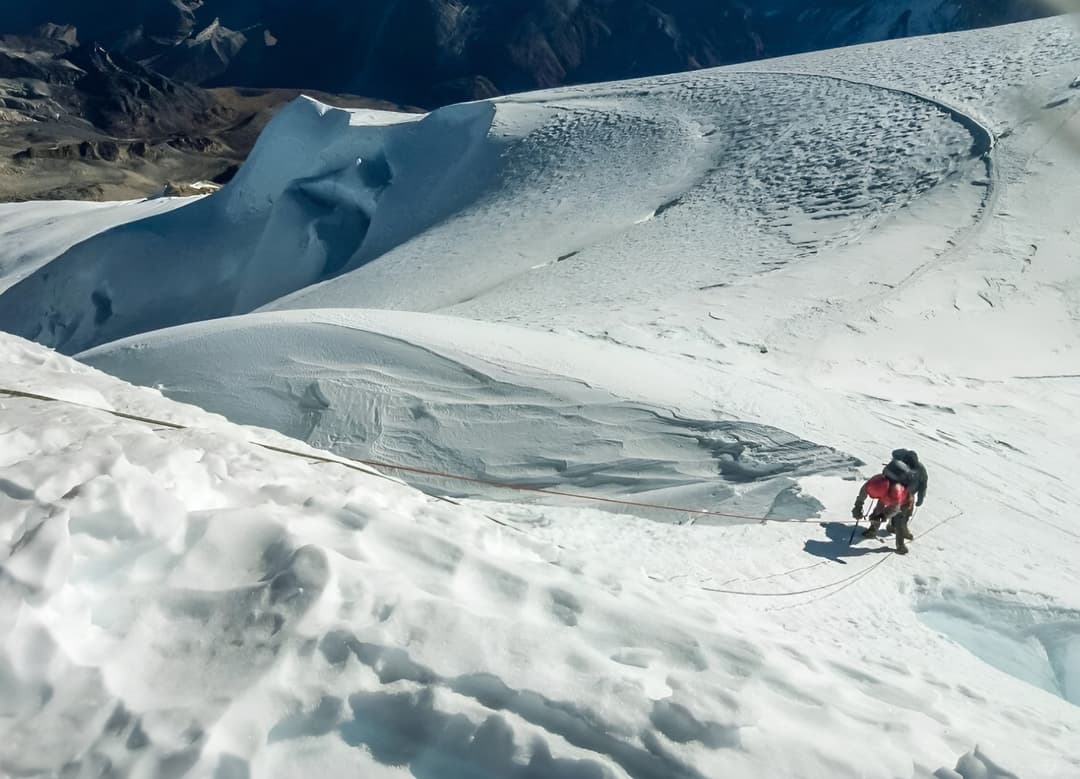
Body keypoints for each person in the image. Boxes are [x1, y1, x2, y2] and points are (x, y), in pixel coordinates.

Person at [851, 464, 915, 554]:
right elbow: (864, 490)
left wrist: (882, 516)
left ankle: (900, 546)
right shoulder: (876, 481)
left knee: (898, 521)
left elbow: (895, 508)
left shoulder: (897, 493)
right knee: (877, 511)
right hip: (887, 495)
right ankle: (873, 530)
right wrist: (858, 506)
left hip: (904, 501)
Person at [885, 448, 928, 540]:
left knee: (907, 513)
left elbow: (923, 484)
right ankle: (897, 528)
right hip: (898, 493)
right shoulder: (901, 466)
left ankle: (897, 527)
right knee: (897, 512)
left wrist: (921, 497)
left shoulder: (921, 470)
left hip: (909, 494)